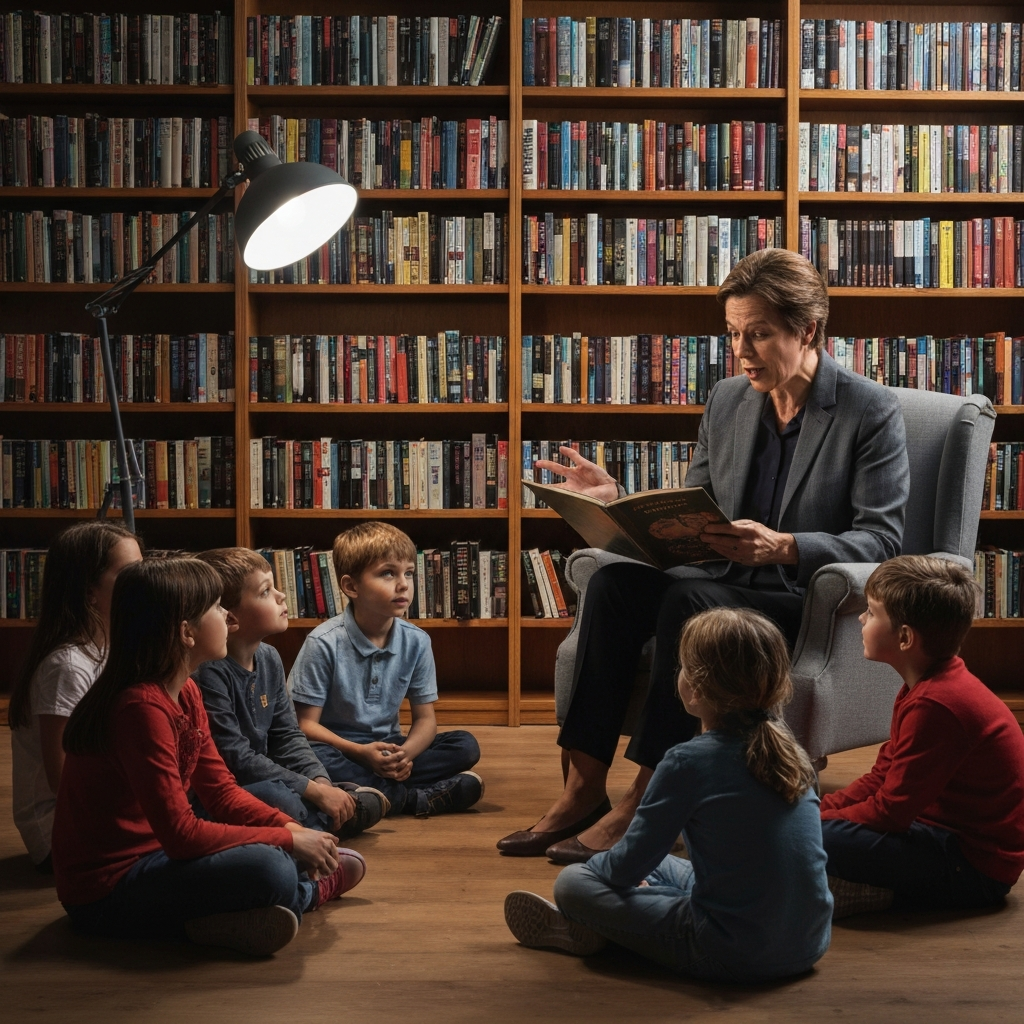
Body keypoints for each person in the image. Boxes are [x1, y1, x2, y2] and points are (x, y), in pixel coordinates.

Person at [498, 247, 910, 861]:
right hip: (718, 578)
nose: (741, 352)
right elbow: (701, 509)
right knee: (612, 587)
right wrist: (621, 503)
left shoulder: (867, 410)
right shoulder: (728, 400)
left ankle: (647, 800)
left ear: (809, 330)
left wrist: (785, 546)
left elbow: (882, 541)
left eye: (759, 334)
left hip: (801, 599)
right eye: (733, 333)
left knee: (691, 600)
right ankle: (582, 790)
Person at [52, 558, 366, 958]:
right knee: (274, 869)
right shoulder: (139, 709)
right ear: (186, 632)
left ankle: (225, 919)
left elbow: (221, 793)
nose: (228, 618)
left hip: (159, 858)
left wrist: (288, 827)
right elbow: (183, 835)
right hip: (105, 893)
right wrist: (287, 841)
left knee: (279, 836)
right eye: (218, 608)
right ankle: (308, 893)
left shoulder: (185, 691)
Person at [504, 608, 833, 982]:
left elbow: (626, 865)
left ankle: (600, 928)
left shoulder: (687, 761)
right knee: (666, 867)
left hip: (730, 953)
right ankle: (635, 915)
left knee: (574, 883)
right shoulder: (795, 752)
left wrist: (611, 876)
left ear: (694, 687)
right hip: (809, 943)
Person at [821, 555, 1024, 917]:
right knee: (814, 828)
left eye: (870, 612)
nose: (861, 620)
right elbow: (881, 777)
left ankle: (877, 896)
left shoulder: (937, 704)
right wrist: (820, 809)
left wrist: (813, 825)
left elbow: (889, 813)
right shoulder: (923, 688)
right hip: (938, 832)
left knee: (820, 840)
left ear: (904, 637)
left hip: (976, 869)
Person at [193, 547, 388, 839]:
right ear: (230, 618)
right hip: (231, 790)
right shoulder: (208, 672)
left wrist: (322, 784)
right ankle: (328, 817)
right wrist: (313, 791)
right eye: (264, 592)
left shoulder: (269, 657)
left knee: (309, 777)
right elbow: (236, 758)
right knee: (280, 798)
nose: (281, 596)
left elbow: (287, 735)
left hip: (267, 777)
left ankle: (325, 813)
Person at [290, 523, 483, 817]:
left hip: (388, 747)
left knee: (465, 746)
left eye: (408, 573)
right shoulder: (323, 643)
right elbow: (305, 726)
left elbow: (426, 720)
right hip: (339, 749)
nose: (403, 584)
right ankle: (412, 799)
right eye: (387, 573)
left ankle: (373, 793)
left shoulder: (417, 641)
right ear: (351, 586)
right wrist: (361, 754)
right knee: (308, 757)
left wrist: (405, 756)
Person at [9, 521, 143, 872]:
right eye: (130, 575)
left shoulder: (114, 650)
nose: (144, 584)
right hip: (60, 834)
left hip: (102, 809)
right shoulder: (67, 667)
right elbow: (63, 780)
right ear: (89, 592)